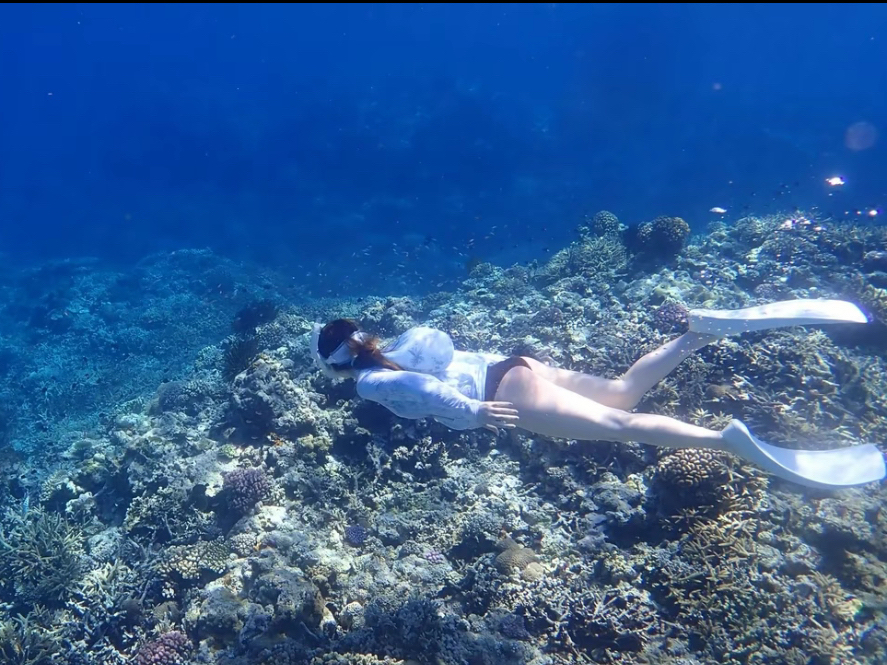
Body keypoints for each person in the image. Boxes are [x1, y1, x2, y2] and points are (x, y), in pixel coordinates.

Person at [310, 299, 885, 490]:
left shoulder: (369, 379)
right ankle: (698, 333)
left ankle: (724, 441)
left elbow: (416, 388)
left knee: (621, 426)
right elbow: (434, 352)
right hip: (513, 365)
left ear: (336, 367)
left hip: (502, 393)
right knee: (622, 394)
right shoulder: (396, 345)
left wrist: (473, 411)